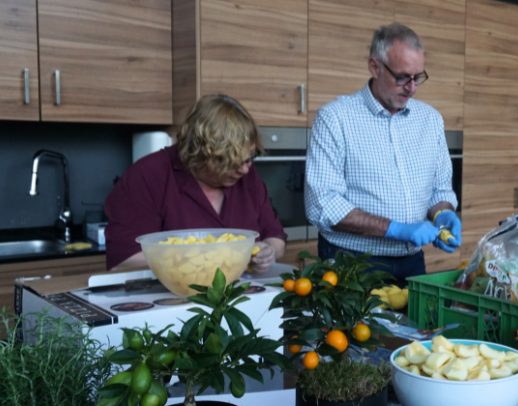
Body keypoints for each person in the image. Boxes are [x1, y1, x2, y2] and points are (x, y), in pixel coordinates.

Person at [305, 23, 460, 283]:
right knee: (359, 327)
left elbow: (440, 191)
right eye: (402, 77)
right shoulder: (335, 118)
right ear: (374, 67)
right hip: (352, 261)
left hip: (412, 262)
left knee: (416, 325)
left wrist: (443, 213)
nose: (412, 88)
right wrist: (394, 229)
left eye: (418, 77)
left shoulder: (431, 120)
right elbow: (323, 204)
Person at [105, 95, 287, 272]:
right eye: (230, 162)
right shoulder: (148, 176)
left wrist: (267, 252)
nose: (245, 169)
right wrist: (208, 258)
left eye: (249, 158)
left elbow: (275, 237)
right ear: (201, 154)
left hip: (243, 295)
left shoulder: (247, 176)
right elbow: (122, 261)